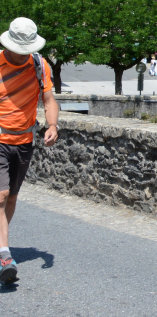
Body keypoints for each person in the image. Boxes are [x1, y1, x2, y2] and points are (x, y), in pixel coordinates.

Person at [0, 18, 59, 284]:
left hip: (24, 141)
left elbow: (49, 100)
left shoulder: (39, 65)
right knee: (0, 196)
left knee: (11, 198)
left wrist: (53, 125)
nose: (21, 54)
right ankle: (4, 256)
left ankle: (1, 244)